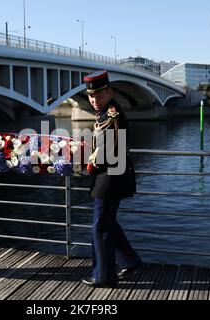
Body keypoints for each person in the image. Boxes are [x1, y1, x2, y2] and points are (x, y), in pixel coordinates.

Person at [81, 70, 143, 288]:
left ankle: (103, 275)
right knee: (108, 223)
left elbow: (108, 154)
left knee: (100, 227)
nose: (94, 100)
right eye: (91, 96)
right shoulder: (106, 113)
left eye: (98, 95)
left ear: (109, 92)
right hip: (111, 176)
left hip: (111, 177)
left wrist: (82, 161)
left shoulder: (112, 116)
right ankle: (130, 261)